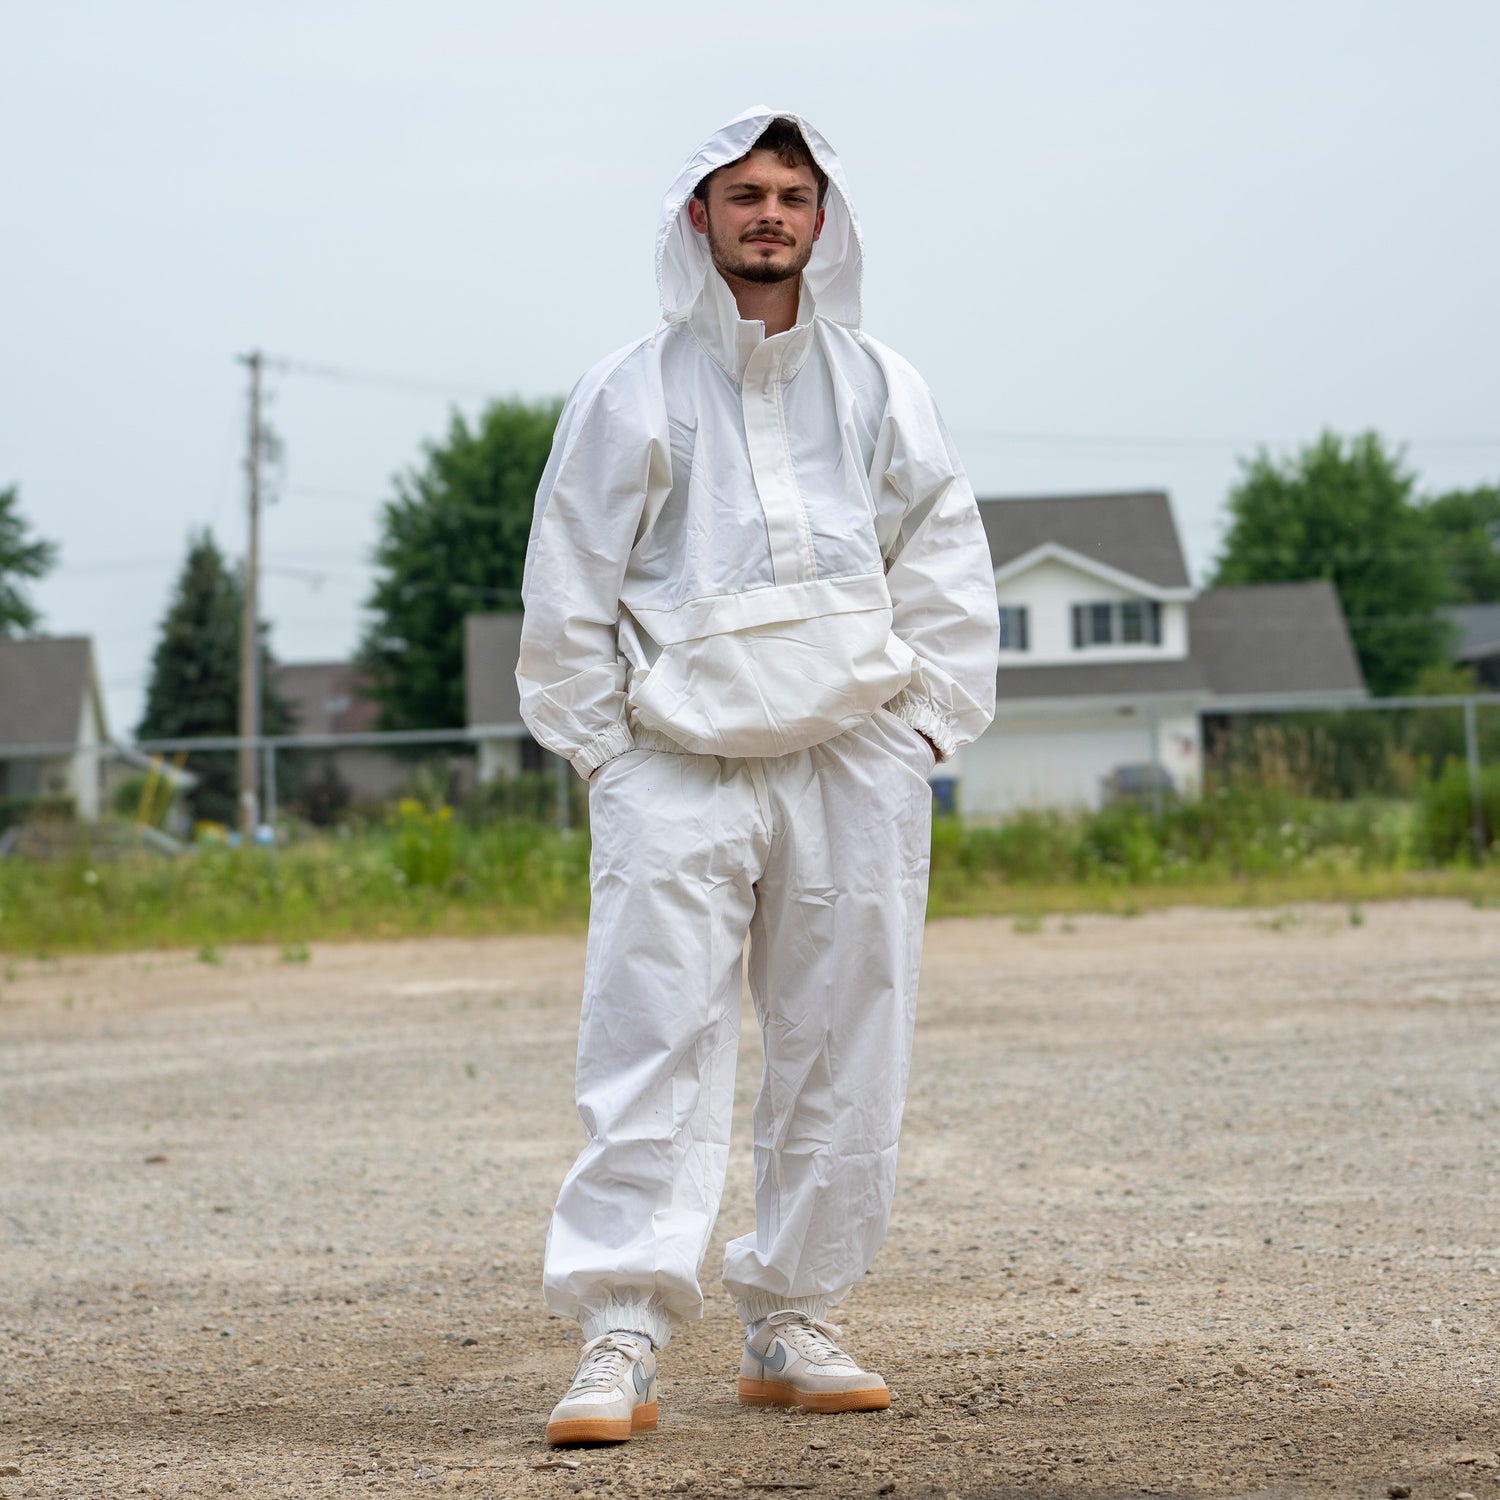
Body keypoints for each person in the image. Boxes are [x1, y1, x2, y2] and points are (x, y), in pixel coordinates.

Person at [516, 106, 1000, 1446]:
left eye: (792, 193)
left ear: (822, 218)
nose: (770, 213)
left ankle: (793, 1316)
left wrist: (925, 729)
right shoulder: (630, 388)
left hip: (851, 757)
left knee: (846, 1038)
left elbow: (943, 547)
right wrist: (605, 750)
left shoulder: (881, 384)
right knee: (651, 1035)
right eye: (745, 193)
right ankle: (619, 1330)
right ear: (700, 216)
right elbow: (568, 573)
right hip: (676, 758)